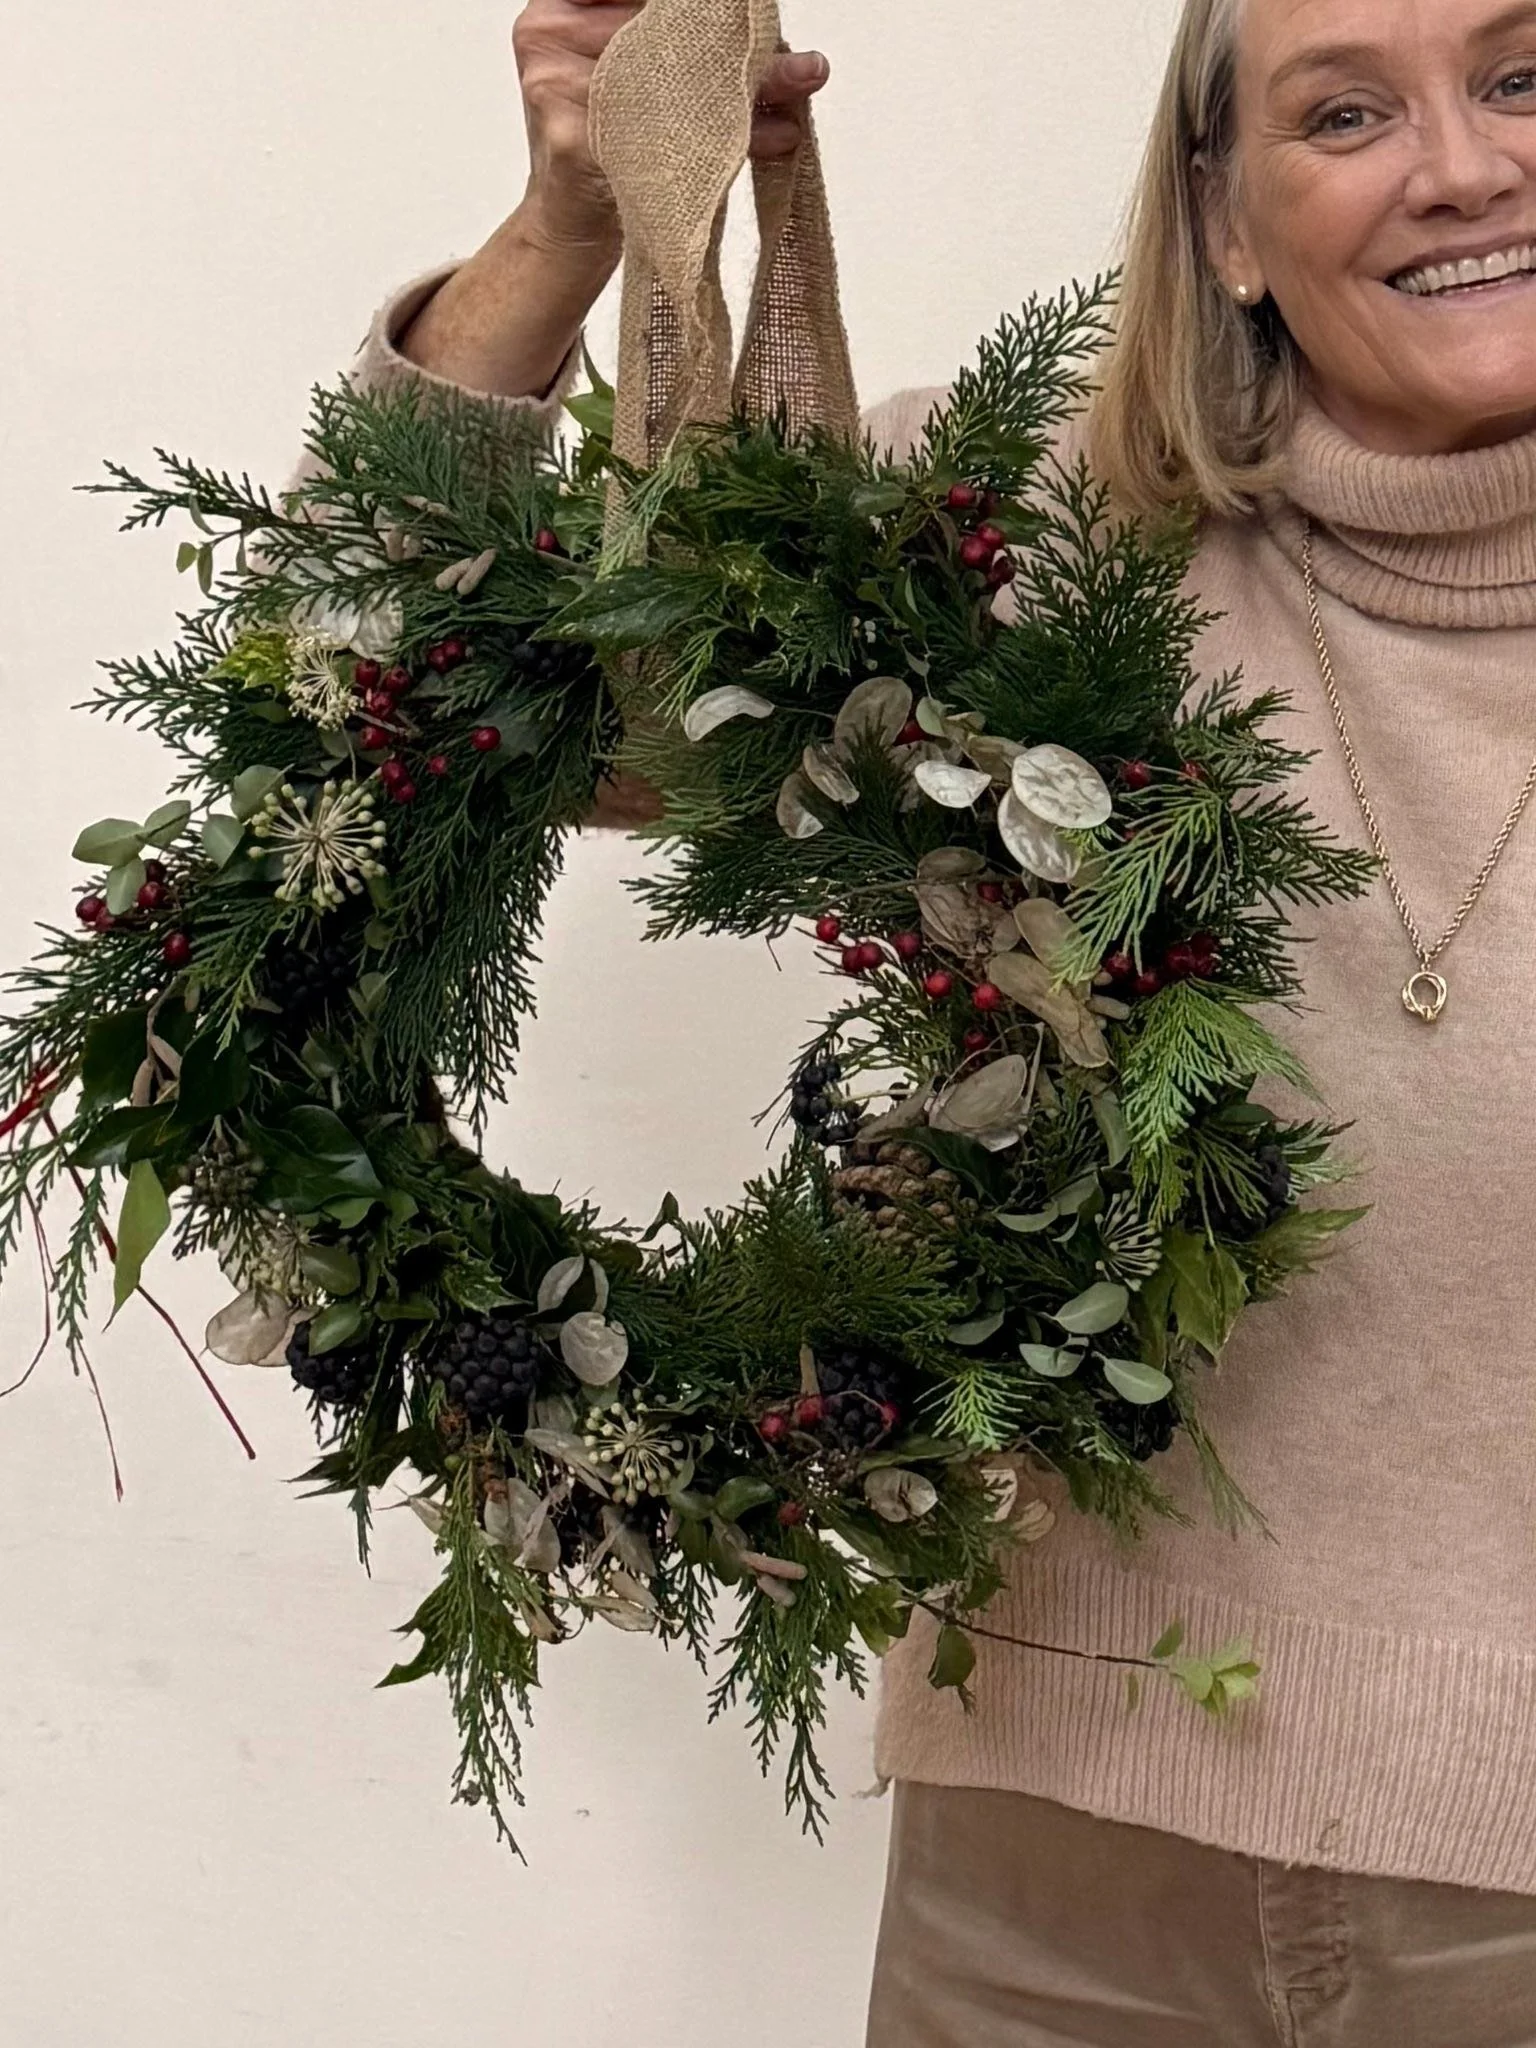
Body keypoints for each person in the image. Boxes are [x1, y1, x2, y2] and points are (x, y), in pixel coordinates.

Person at [354, 0, 1536, 2039]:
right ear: (1229, 225)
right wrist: (569, 227)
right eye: (1346, 109)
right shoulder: (1035, 560)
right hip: (1054, 1877)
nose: (1459, 164)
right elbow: (393, 660)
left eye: (1525, 75)